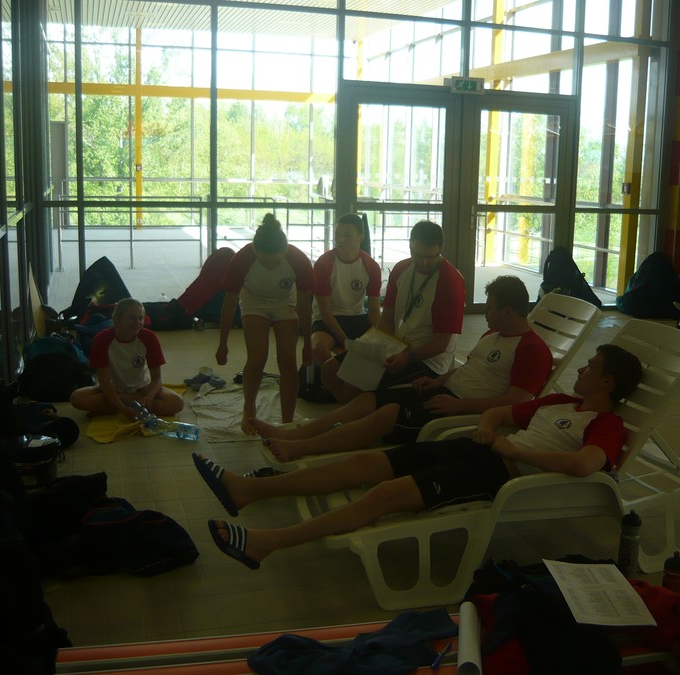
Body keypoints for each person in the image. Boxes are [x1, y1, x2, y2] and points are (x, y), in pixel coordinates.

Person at [193, 343, 643, 570]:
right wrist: (490, 428)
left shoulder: (607, 424)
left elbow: (585, 465)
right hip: (476, 448)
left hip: (499, 475)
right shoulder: (561, 401)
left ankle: (267, 543)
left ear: (608, 384)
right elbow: (500, 412)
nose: (581, 368)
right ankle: (248, 489)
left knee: (384, 495)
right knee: (368, 464)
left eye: (591, 366)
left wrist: (514, 448)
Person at [252, 275, 553, 461]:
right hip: (444, 393)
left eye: (489, 307)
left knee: (385, 415)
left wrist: (458, 405)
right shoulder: (493, 334)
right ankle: (295, 434)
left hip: (461, 407)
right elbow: (469, 367)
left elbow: (519, 401)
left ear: (507, 311)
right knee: (366, 400)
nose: (484, 311)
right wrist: (438, 382)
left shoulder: (532, 349)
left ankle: (301, 448)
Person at [320, 220, 465, 403]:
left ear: (441, 249)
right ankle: (354, 412)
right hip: (396, 345)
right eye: (417, 255)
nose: (423, 262)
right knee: (330, 370)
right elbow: (387, 319)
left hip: (428, 359)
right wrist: (374, 346)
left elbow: (440, 344)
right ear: (410, 245)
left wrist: (407, 357)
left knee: (354, 385)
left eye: (430, 257)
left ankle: (355, 413)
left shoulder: (450, 282)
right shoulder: (401, 269)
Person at [217, 214, 315, 432]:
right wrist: (223, 343)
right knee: (257, 357)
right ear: (255, 250)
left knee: (288, 360)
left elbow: (304, 307)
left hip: (285, 302)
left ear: (285, 250)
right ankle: (249, 409)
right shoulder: (242, 259)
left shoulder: (298, 260)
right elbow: (229, 303)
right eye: (264, 261)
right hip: (254, 302)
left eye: (276, 261)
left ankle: (287, 422)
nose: (270, 266)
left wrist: (308, 343)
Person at [70, 298, 184, 419]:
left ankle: (113, 407)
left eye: (140, 318)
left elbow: (156, 379)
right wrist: (123, 409)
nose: (137, 322)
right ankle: (129, 404)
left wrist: (149, 398)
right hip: (113, 389)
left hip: (142, 388)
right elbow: (105, 382)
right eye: (131, 318)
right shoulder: (101, 339)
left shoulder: (149, 337)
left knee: (177, 402)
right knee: (77, 398)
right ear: (117, 319)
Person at [310, 213, 381, 367]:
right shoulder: (323, 264)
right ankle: (333, 378)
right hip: (327, 319)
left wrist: (380, 336)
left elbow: (375, 311)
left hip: (356, 316)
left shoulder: (371, 267)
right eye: (338, 234)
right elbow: (325, 312)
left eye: (347, 235)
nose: (341, 240)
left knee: (379, 350)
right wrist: (346, 342)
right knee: (318, 348)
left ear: (361, 237)